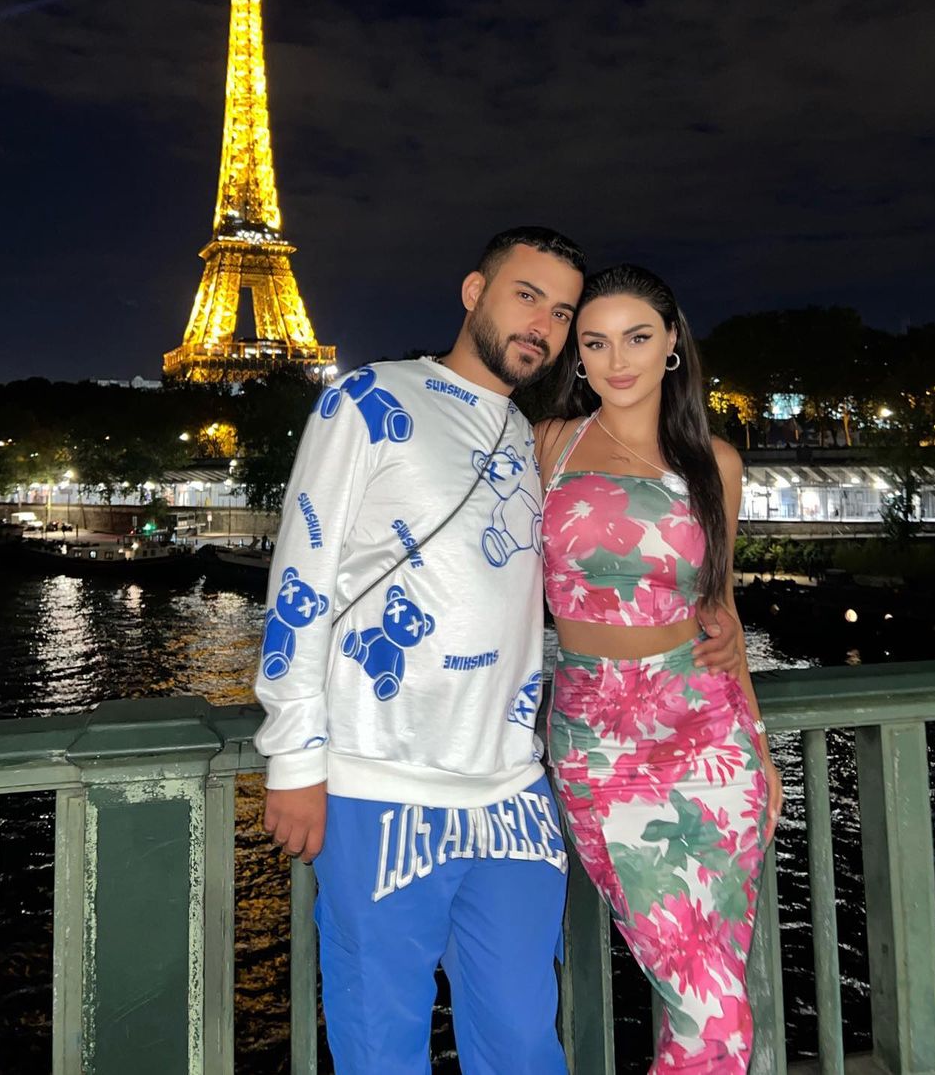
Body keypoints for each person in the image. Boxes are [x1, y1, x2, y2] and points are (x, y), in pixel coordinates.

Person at [255, 230, 744, 1073]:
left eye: (561, 312)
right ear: (473, 290)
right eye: (527, 296)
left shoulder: (533, 437)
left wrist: (715, 619)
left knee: (522, 1041)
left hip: (513, 790)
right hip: (380, 781)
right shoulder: (371, 398)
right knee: (381, 1045)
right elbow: (303, 574)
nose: (542, 324)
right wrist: (293, 756)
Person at [537, 263, 782, 1075]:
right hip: (597, 739)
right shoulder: (549, 444)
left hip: (709, 734)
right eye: (596, 342)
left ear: (672, 341)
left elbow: (721, 609)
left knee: (714, 1001)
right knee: (707, 1004)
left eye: (637, 337)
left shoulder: (717, 462)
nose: (617, 360)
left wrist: (760, 746)